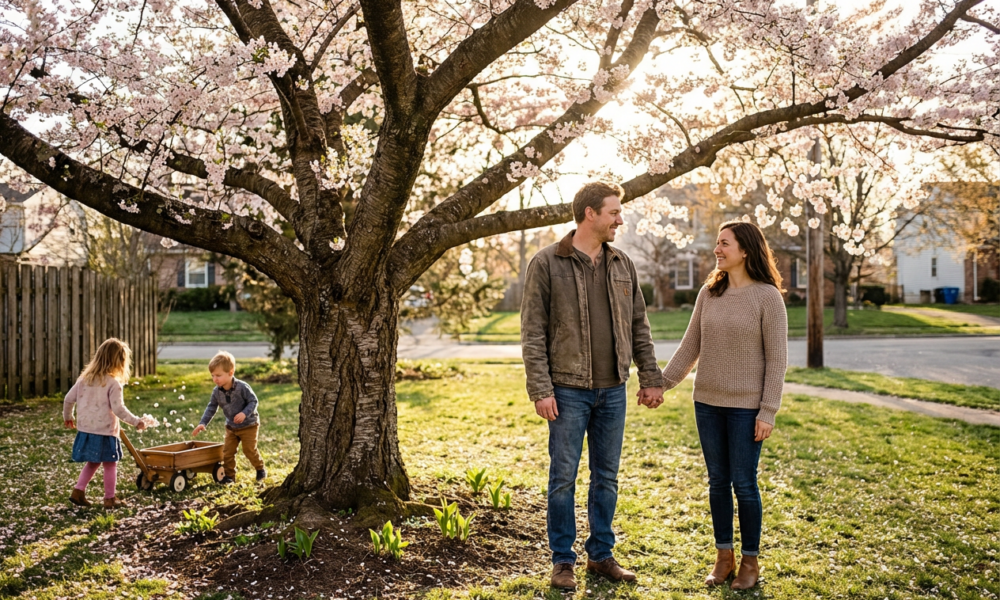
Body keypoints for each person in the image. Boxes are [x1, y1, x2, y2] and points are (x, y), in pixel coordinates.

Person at [521, 181, 665, 590]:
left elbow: (639, 325)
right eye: (614, 212)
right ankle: (562, 561)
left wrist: (650, 378)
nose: (620, 219)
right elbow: (532, 332)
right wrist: (541, 389)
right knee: (563, 478)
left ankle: (601, 555)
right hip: (567, 390)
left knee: (607, 477)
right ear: (590, 214)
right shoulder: (547, 262)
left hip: (613, 389)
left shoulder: (622, 263)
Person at [660, 220, 788, 590]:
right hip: (707, 403)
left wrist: (768, 410)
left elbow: (777, 361)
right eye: (717, 243)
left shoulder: (768, 297)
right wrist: (661, 384)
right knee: (717, 482)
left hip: (747, 408)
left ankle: (750, 560)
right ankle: (723, 556)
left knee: (744, 483)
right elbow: (690, 346)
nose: (717, 250)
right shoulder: (709, 293)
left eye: (724, 243)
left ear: (745, 250)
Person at [64, 338, 147, 509]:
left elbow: (68, 399)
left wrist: (68, 416)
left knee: (93, 462)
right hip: (105, 431)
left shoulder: (84, 379)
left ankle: (78, 492)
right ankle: (110, 498)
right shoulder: (113, 383)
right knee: (110, 463)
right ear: (119, 362)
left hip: (87, 430)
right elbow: (118, 409)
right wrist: (136, 422)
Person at [192, 351, 266, 484]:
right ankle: (230, 477)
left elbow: (253, 401)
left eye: (218, 375)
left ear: (231, 372)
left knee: (249, 450)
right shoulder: (216, 391)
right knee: (227, 452)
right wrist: (203, 423)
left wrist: (244, 413)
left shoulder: (242, 387)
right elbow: (211, 407)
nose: (215, 379)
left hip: (249, 425)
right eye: (213, 375)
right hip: (231, 427)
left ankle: (260, 468)